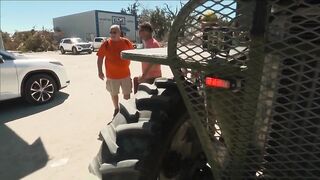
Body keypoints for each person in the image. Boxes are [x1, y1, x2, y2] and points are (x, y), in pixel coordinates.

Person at [96, 25, 134, 117]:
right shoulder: (106, 44)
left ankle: (126, 109)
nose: (112, 34)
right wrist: (100, 71)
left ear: (119, 32)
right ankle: (116, 109)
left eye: (114, 32)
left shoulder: (126, 42)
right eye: (111, 32)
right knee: (114, 94)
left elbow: (133, 53)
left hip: (125, 74)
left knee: (127, 93)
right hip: (112, 76)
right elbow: (100, 58)